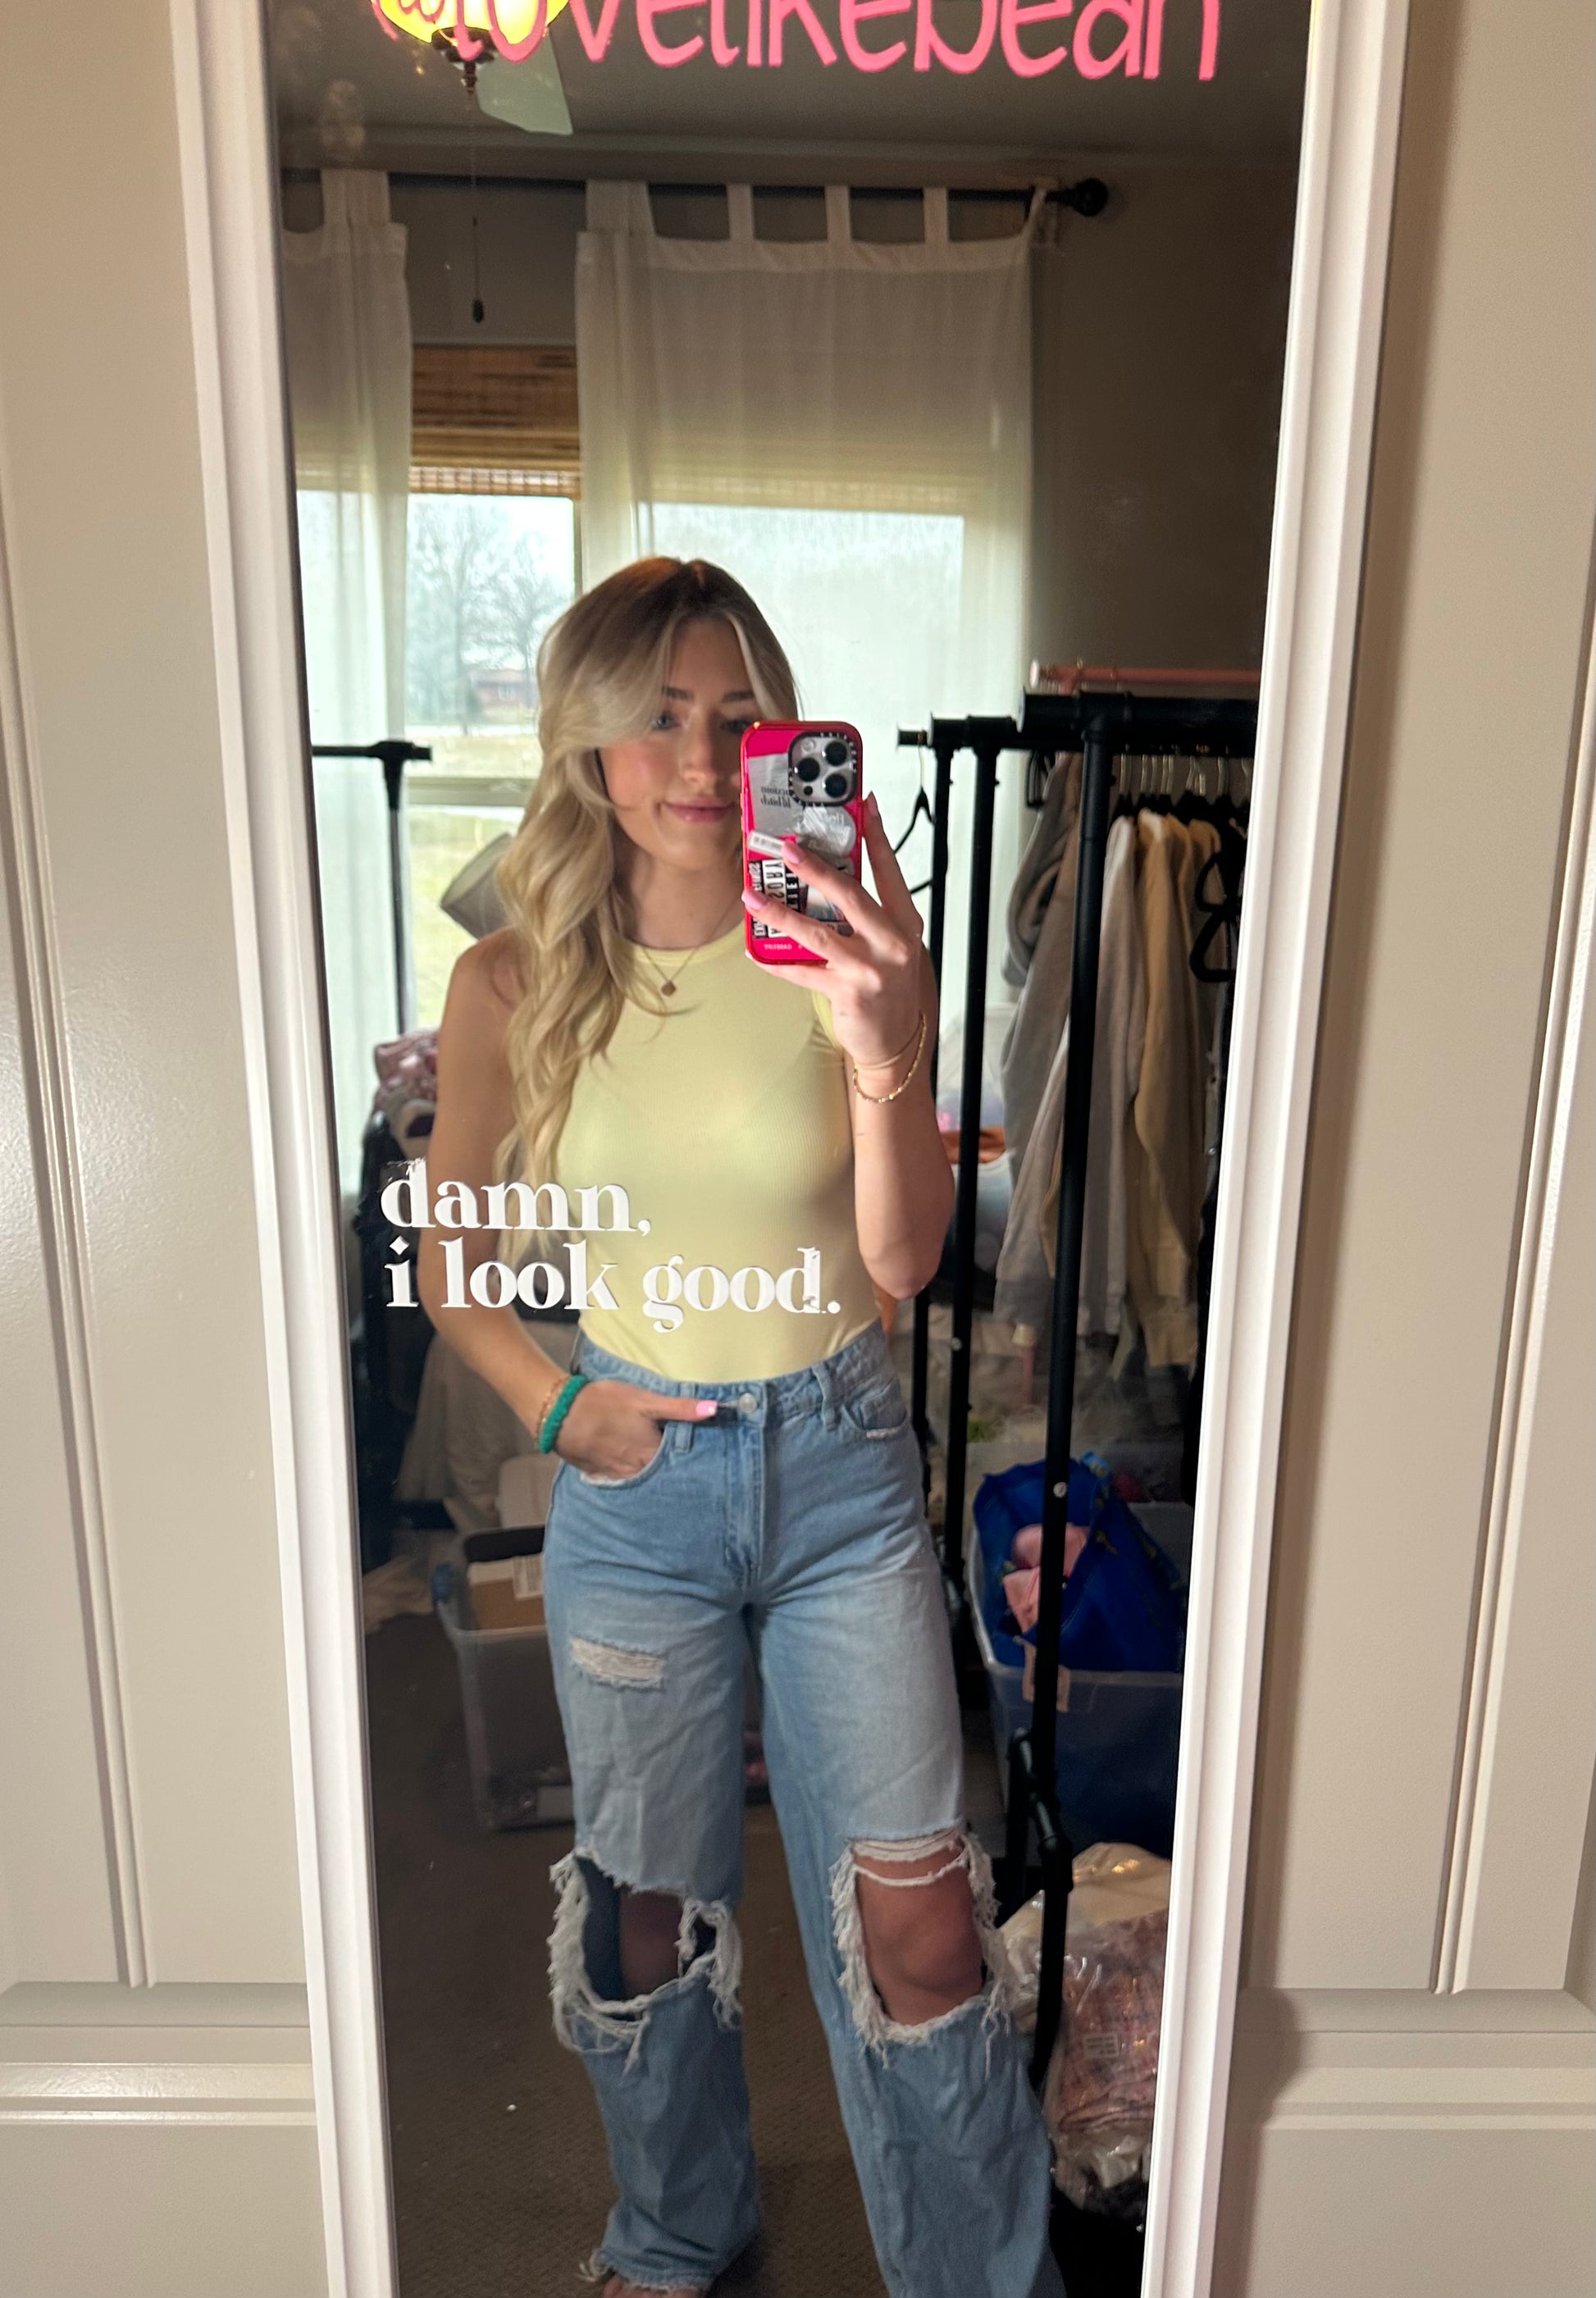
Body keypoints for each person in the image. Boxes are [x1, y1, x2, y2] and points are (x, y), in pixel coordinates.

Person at [419, 559, 1062, 2298]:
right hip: (638, 1490)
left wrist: (885, 1041)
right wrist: (558, 1404)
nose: (701, 762)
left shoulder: (846, 940)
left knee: (922, 1926)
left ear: (782, 735)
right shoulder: (509, 982)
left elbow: (904, 1261)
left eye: (734, 716)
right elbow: (456, 1265)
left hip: (843, 1472)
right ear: (588, 739)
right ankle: (679, 2227)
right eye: (657, 717)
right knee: (647, 1916)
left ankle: (979, 2279)